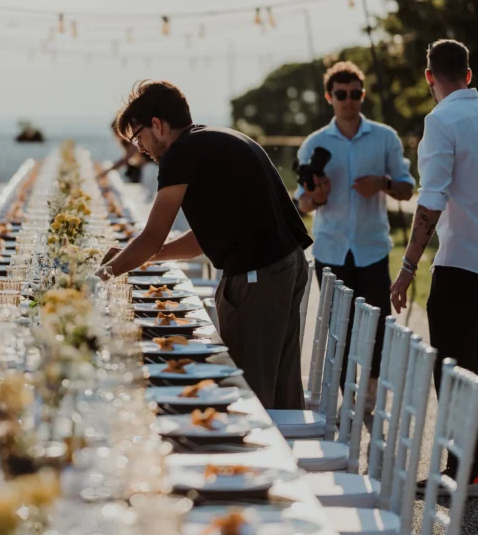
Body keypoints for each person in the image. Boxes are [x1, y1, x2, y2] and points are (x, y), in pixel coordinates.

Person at [96, 79, 313, 409]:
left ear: (157, 125)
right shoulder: (211, 140)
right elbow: (202, 237)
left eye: (138, 138)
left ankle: (252, 460)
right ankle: (287, 454)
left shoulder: (180, 154)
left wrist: (99, 278)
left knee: (245, 396)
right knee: (280, 390)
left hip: (260, 274)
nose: (140, 150)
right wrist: (150, 257)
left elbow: (152, 235)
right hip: (284, 265)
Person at [389, 39, 478, 498]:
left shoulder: (440, 121)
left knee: (451, 364)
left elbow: (431, 201)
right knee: (472, 350)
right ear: (468, 74)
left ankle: (464, 472)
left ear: (430, 77)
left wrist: (408, 267)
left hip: (462, 261)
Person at [295, 61, 415, 395]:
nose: (348, 100)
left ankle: (371, 395)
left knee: (377, 325)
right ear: (328, 97)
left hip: (372, 246)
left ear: (363, 95)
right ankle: (341, 393)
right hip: (330, 248)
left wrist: (382, 182)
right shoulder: (314, 143)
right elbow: (300, 205)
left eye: (355, 93)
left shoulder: (384, 137)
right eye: (341, 94)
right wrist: (316, 197)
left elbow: (407, 188)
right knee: (337, 327)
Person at [99, 119, 150, 183]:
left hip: (148, 171)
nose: (115, 135)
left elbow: (125, 160)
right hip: (142, 170)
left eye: (116, 132)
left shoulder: (133, 141)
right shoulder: (127, 143)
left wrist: (105, 172)